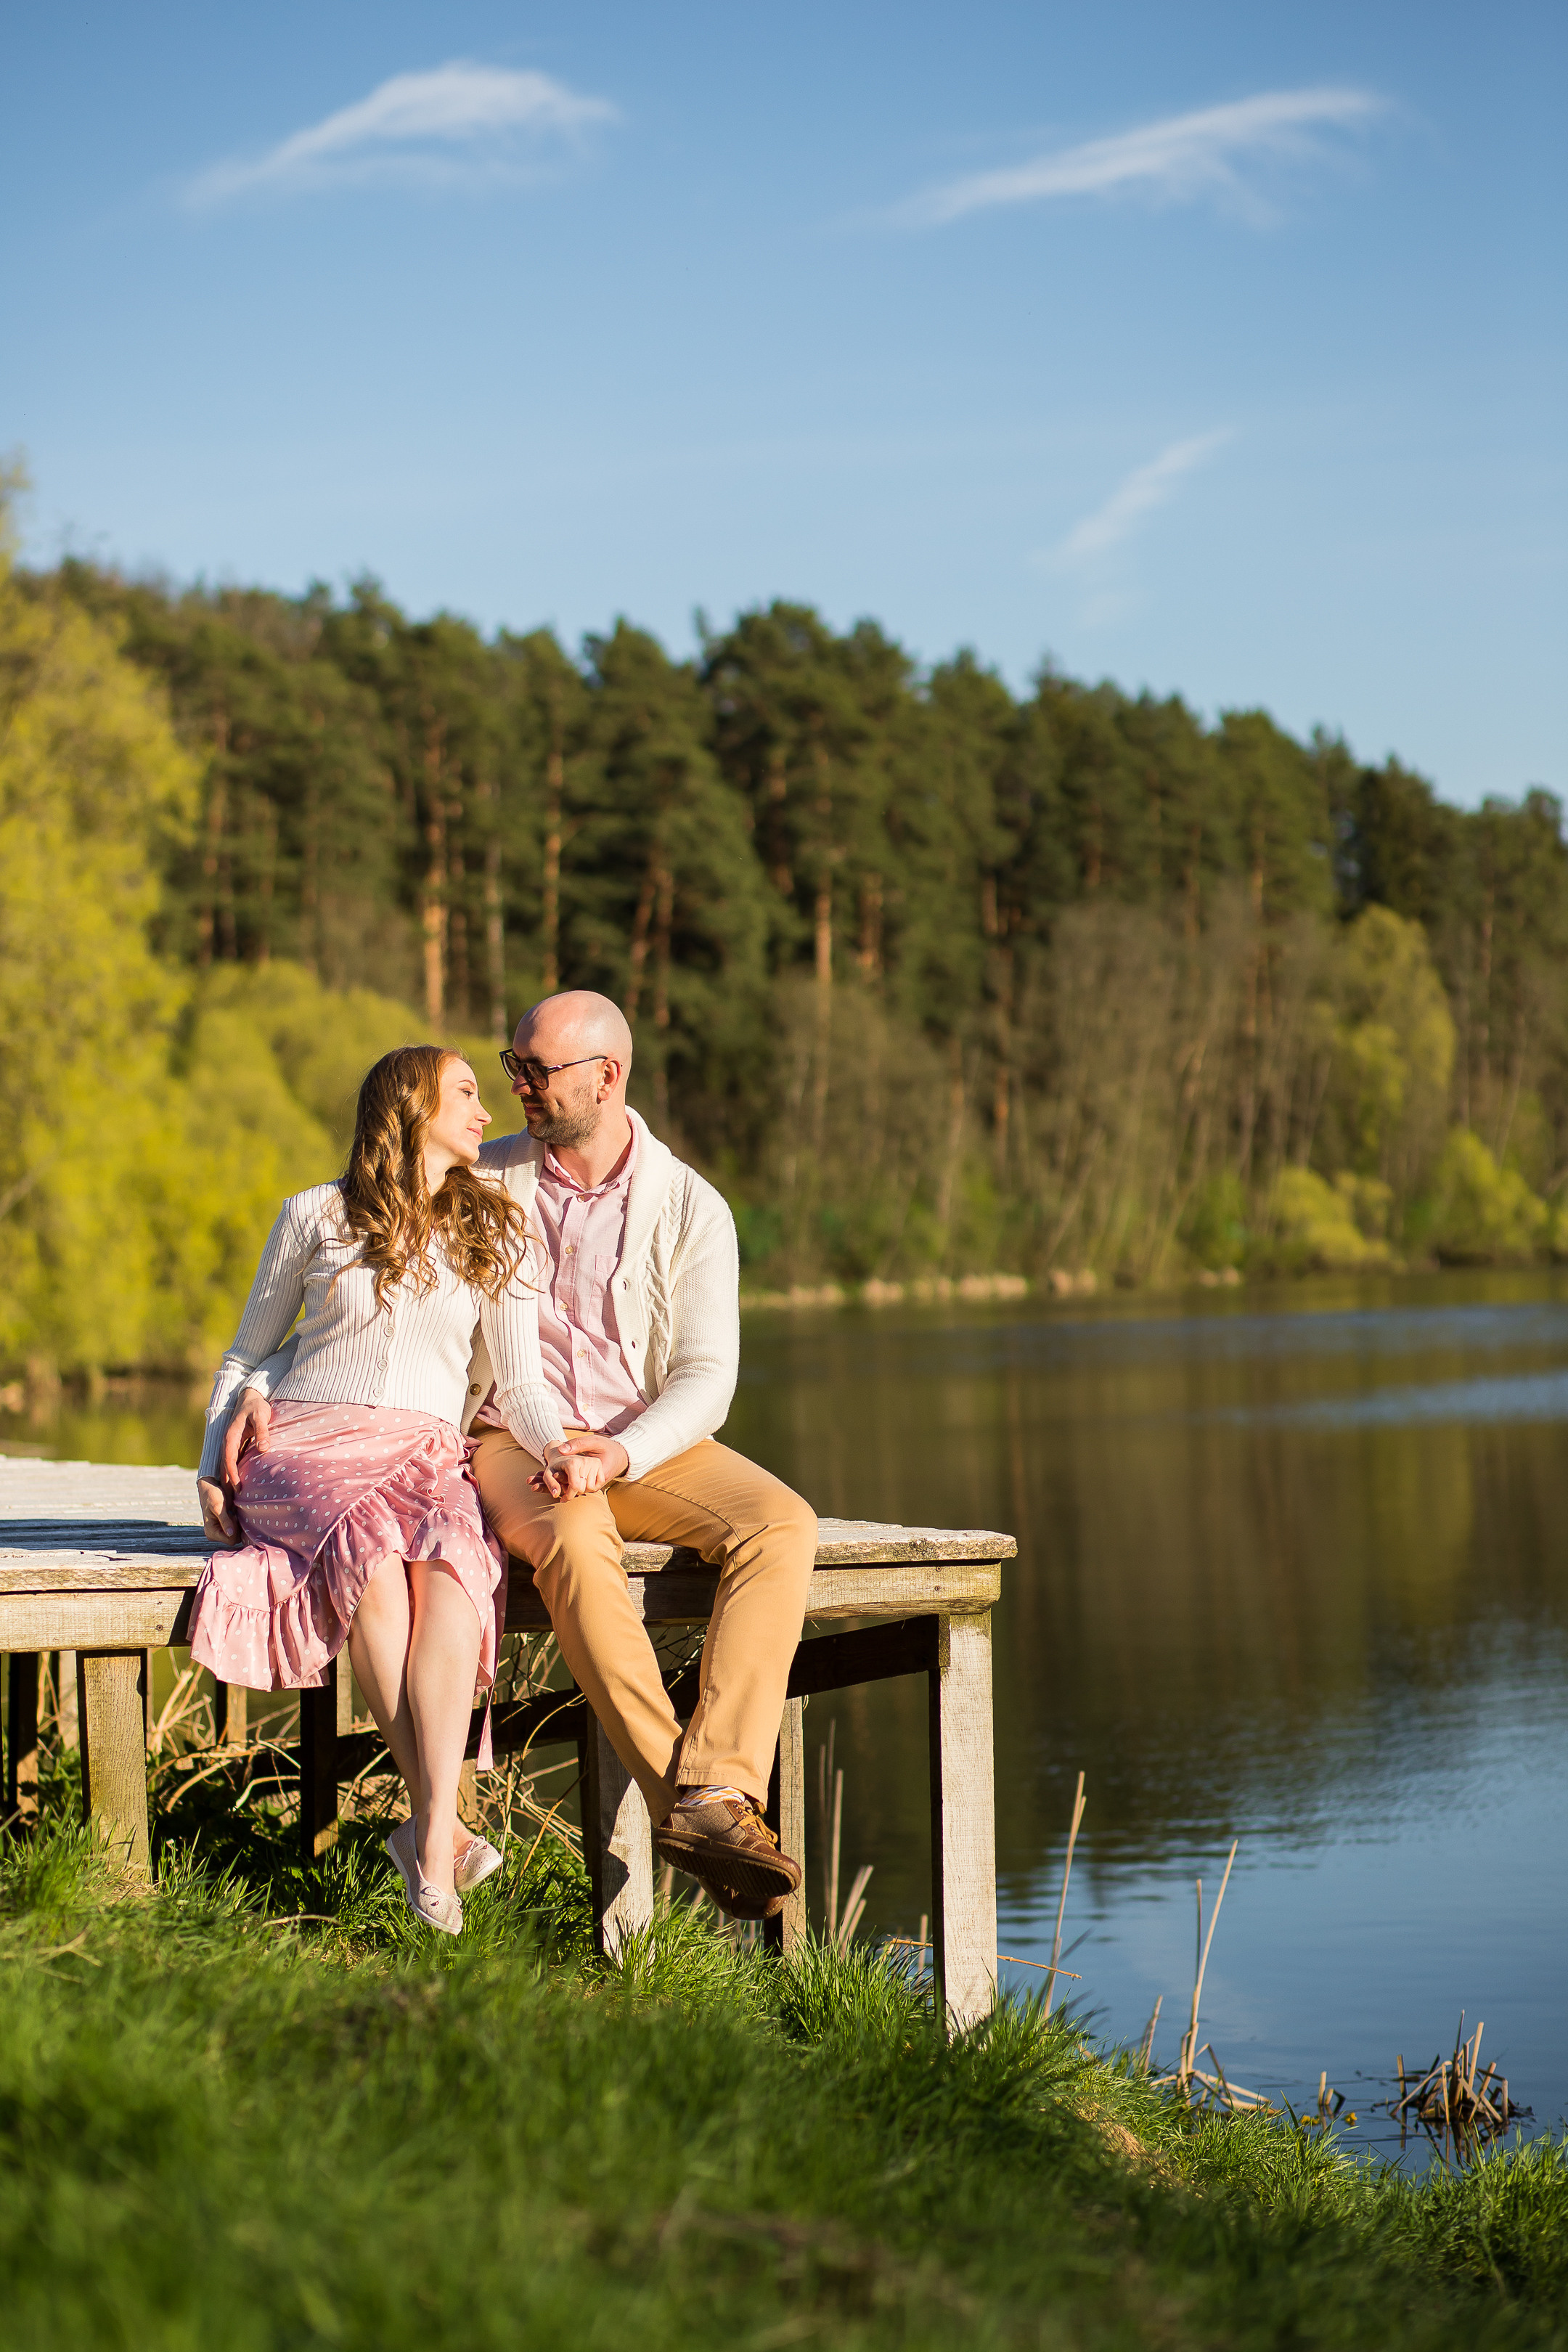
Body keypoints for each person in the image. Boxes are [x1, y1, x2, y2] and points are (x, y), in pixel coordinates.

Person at [228, 991, 818, 1919]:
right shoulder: (484, 1179)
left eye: (535, 1072)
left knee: (783, 1524)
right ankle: (690, 1812)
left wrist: (620, 1455)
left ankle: (716, 1789)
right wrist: (256, 1390)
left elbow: (706, 1376)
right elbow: (359, 1242)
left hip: (644, 1439)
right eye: (510, 1069)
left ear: (606, 1076)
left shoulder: (691, 1207)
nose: (517, 1091)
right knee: (579, 1549)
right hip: (513, 1438)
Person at [192, 1045, 554, 1936]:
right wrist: (211, 1457)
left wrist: (569, 1455)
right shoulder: (313, 1214)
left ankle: (428, 1840)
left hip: (427, 1450)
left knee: (456, 1568)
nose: (485, 1110)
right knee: (376, 1566)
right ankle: (441, 1840)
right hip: (307, 1445)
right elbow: (247, 1353)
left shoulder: (493, 1226)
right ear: (411, 1103)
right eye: (466, 1093)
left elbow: (525, 1382)